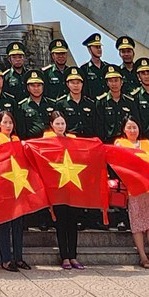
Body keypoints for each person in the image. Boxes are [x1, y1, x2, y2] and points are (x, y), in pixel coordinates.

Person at [113, 115, 149, 270]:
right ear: (123, 130)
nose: (132, 130)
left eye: (135, 127)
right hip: (133, 188)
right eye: (129, 127)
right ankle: (143, 257)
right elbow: (120, 164)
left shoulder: (146, 143)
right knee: (138, 223)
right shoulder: (120, 143)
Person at [0, 109, 30, 271]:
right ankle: (6, 259)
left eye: (10, 122)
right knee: (4, 224)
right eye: (5, 122)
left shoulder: (16, 139)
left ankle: (18, 257)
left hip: (17, 184)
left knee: (18, 224)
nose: (8, 125)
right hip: (1, 185)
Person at [44, 111, 86, 269]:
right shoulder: (47, 140)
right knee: (61, 222)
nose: (60, 126)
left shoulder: (73, 140)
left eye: (62, 123)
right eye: (57, 124)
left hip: (73, 184)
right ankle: (64, 257)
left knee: (72, 222)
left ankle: (73, 256)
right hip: (57, 186)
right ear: (51, 125)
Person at [75, 34, 112, 100]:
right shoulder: (84, 69)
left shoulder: (108, 67)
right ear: (89, 49)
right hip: (93, 105)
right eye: (96, 47)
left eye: (99, 47)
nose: (99, 49)